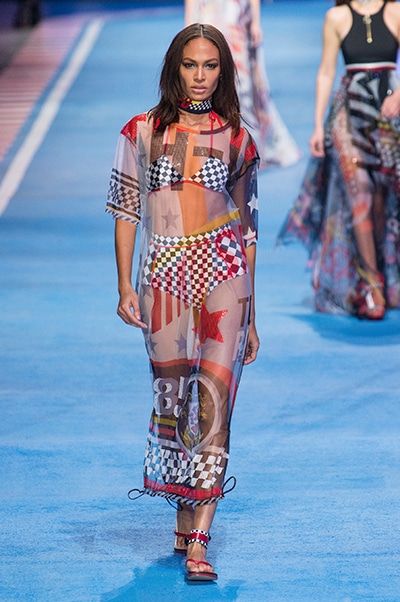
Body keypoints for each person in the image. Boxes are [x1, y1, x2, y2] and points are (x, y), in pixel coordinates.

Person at [106, 23, 260, 581]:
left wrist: (253, 314)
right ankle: (183, 508)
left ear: (223, 72)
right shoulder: (141, 131)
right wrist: (125, 285)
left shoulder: (238, 139)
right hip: (165, 277)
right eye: (190, 65)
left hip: (225, 276)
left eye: (210, 65)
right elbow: (126, 210)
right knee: (174, 402)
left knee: (215, 401)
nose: (200, 76)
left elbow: (248, 230)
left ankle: (199, 539)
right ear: (175, 68)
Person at [277, 0, 400, 320]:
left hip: (389, 117)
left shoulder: (396, 11)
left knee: (382, 199)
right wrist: (318, 125)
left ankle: (385, 275)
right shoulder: (336, 16)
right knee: (359, 191)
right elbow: (326, 71)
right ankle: (371, 284)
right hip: (348, 117)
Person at [184, 0, 301, 169]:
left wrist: (256, 21)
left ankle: (249, 148)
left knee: (242, 86)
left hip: (235, 18)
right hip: (208, 15)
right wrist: (188, 24)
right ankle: (213, 148)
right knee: (208, 83)